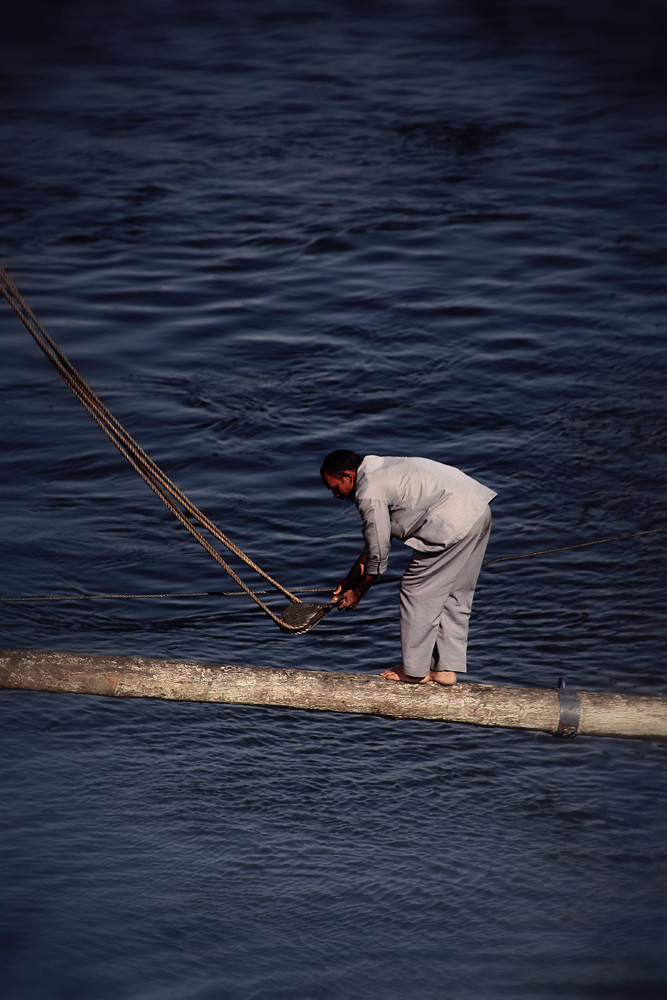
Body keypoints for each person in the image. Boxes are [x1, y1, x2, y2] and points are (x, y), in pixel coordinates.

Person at [320, 450, 496, 685]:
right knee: (455, 592)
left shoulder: (367, 492)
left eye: (334, 488)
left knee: (416, 589)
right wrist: (350, 580)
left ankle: (415, 671)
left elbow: (379, 552)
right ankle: (445, 669)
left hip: (452, 521)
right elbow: (375, 541)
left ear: (348, 476)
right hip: (477, 509)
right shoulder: (379, 470)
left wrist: (358, 593)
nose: (335, 496)